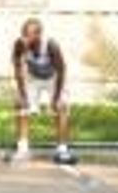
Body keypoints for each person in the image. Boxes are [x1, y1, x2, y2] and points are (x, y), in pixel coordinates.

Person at [11, 17, 77, 165]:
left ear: (38, 35)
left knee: (61, 106)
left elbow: (61, 70)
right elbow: (17, 68)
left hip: (53, 77)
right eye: (23, 34)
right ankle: (22, 149)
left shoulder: (51, 45)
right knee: (20, 105)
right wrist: (23, 95)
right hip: (33, 77)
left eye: (29, 35)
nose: (25, 38)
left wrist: (56, 98)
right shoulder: (19, 44)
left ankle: (62, 150)